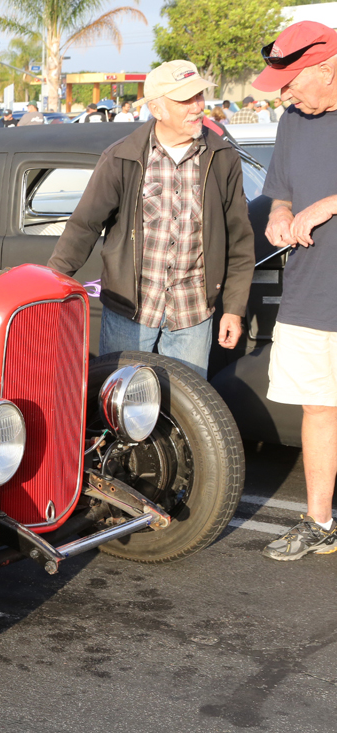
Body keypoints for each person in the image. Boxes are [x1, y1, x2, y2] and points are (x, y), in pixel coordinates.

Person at [46, 60, 255, 379]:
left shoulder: (222, 158)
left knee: (186, 416)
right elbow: (83, 226)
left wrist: (235, 309)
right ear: (157, 108)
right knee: (119, 405)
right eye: (185, 99)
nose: (197, 107)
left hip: (193, 315)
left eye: (199, 96)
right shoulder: (122, 157)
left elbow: (239, 240)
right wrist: (48, 287)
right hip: (130, 311)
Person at [252, 21, 337, 560]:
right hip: (310, 292)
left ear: (327, 70)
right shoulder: (291, 121)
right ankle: (320, 522)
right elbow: (279, 193)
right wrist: (279, 218)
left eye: (289, 82)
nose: (281, 94)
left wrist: (328, 203)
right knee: (319, 409)